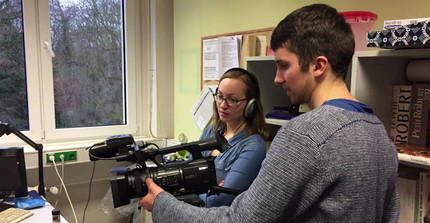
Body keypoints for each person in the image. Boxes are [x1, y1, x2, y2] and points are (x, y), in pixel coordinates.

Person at [139, 4, 400, 222]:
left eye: (284, 66)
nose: (276, 79)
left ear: (318, 66)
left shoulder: (304, 135)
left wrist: (163, 204)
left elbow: (240, 220)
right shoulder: (378, 132)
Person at [197, 67, 269, 207]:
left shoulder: (253, 146)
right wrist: (208, 190)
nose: (223, 105)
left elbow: (219, 200)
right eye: (220, 96)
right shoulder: (211, 131)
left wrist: (192, 188)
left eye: (232, 99)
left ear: (250, 105)